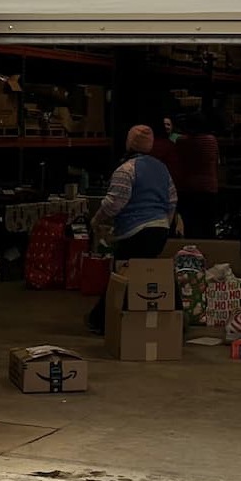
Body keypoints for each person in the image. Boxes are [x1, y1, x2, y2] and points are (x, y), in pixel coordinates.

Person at [86, 125, 178, 334]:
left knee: (121, 275)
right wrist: (165, 223)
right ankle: (173, 318)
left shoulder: (126, 169)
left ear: (129, 143)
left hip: (135, 231)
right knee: (149, 274)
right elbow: (172, 200)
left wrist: (97, 220)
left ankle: (101, 321)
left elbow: (114, 203)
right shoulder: (161, 168)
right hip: (160, 229)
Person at [177, 113, 222, 238]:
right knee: (208, 223)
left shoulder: (182, 141)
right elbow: (217, 161)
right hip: (209, 187)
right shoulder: (211, 140)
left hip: (188, 187)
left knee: (190, 224)